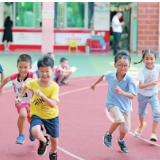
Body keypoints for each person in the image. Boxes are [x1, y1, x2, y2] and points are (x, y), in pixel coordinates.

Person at [90, 50, 137, 153]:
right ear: (115, 65)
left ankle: (120, 140)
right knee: (119, 119)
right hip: (112, 103)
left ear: (129, 66)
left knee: (125, 129)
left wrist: (122, 93)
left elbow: (133, 95)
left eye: (126, 65)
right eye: (120, 65)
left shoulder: (129, 79)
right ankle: (108, 135)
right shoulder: (111, 75)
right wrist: (95, 83)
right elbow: (104, 75)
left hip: (125, 106)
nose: (123, 67)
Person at [15, 55, 59, 160]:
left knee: (54, 139)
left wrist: (42, 95)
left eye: (47, 71)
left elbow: (52, 104)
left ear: (52, 70)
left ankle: (53, 153)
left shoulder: (54, 87)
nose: (44, 74)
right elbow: (27, 85)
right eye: (41, 71)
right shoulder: (34, 83)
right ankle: (44, 141)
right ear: (38, 71)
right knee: (34, 131)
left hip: (51, 115)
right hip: (37, 114)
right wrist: (19, 97)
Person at [0, 54, 37, 144]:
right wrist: (0, 88)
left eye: (25, 67)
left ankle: (31, 130)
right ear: (17, 66)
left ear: (30, 67)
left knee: (30, 119)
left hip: (32, 102)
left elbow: (37, 89)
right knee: (23, 115)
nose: (23, 69)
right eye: (20, 67)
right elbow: (5, 80)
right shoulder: (14, 77)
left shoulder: (33, 76)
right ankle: (21, 135)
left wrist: (27, 87)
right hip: (20, 100)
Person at [134, 49, 160, 141]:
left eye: (151, 59)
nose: (149, 61)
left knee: (157, 112)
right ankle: (141, 125)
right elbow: (140, 86)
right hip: (142, 95)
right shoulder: (141, 71)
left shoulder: (157, 67)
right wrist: (151, 83)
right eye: (147, 59)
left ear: (155, 59)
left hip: (153, 94)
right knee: (141, 112)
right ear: (143, 59)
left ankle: (153, 133)